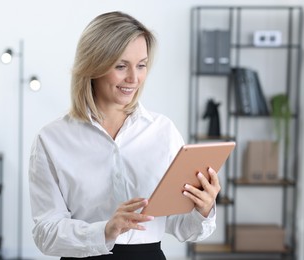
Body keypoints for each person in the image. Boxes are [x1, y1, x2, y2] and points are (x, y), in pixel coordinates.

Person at [28, 11, 220, 260]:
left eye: (141, 65)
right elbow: (46, 233)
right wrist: (105, 230)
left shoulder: (163, 131)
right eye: (121, 66)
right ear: (92, 66)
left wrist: (202, 209)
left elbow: (182, 227)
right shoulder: (51, 140)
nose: (134, 78)